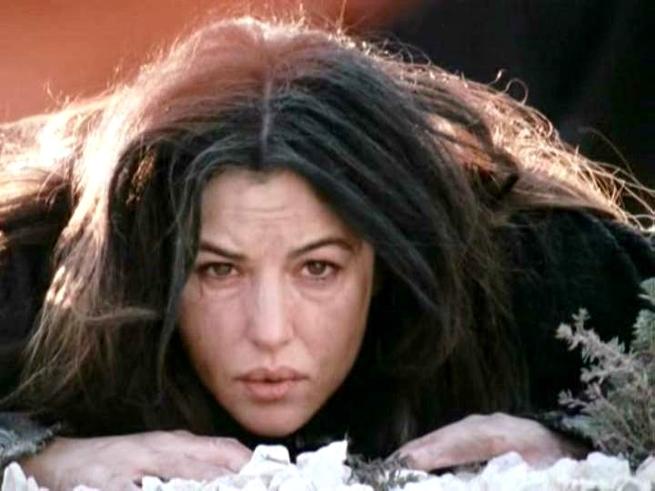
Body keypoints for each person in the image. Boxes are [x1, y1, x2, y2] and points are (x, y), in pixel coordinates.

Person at [0, 16, 653, 489]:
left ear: (386, 256)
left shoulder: (513, 253)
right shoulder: (55, 254)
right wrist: (38, 458)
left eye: (318, 268)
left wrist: (583, 437)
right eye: (218, 269)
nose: (270, 332)